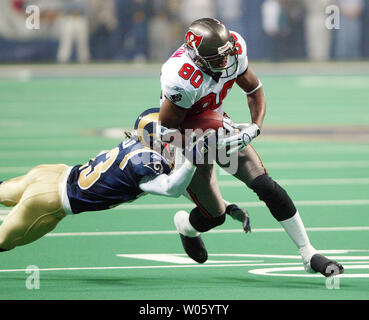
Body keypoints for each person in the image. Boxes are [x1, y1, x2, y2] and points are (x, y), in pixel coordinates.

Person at [158, 18, 344, 277]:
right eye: (217, 58)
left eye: (226, 54)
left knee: (265, 184)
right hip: (188, 141)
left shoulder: (232, 48)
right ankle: (186, 226)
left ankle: (308, 252)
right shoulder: (181, 77)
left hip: (217, 126)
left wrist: (254, 127)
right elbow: (166, 132)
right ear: (197, 58)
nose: (226, 62)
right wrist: (201, 145)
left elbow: (255, 89)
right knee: (215, 215)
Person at [0, 108, 212, 252]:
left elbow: (181, 186)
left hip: (51, 173)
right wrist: (191, 162)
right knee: (3, 241)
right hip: (50, 201)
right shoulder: (147, 162)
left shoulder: (135, 145)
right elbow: (171, 189)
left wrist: (218, 206)